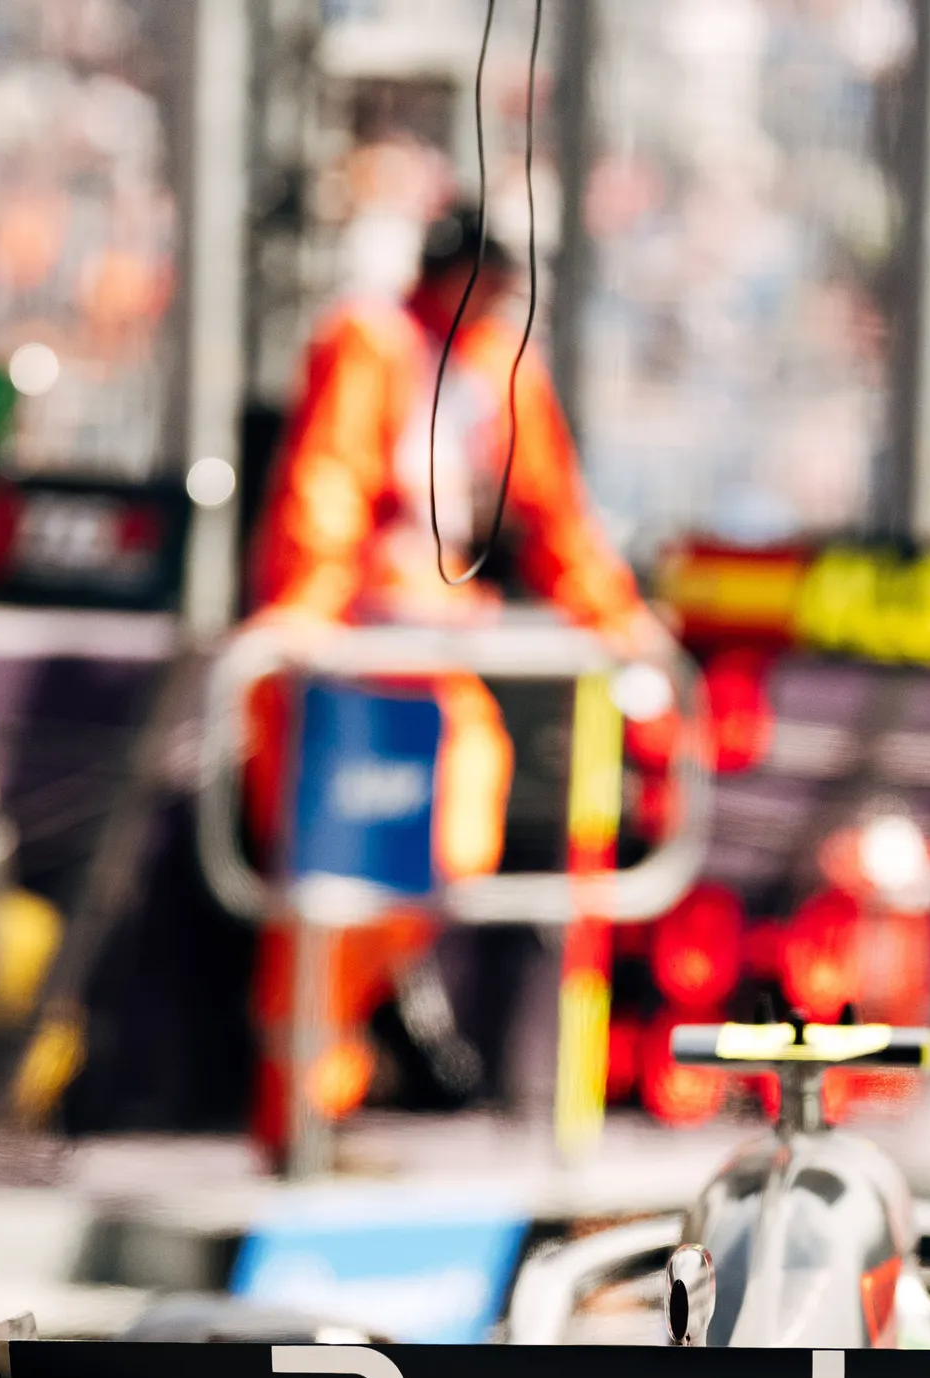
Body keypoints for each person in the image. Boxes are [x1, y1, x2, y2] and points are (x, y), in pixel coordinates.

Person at [244, 202, 670, 1150]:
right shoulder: (370, 341)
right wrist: (306, 629)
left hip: (433, 665)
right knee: (330, 891)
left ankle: (330, 1088)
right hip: (347, 667)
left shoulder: (496, 368)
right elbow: (325, 490)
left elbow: (558, 515)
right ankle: (301, 1118)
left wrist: (623, 626)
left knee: (453, 845)